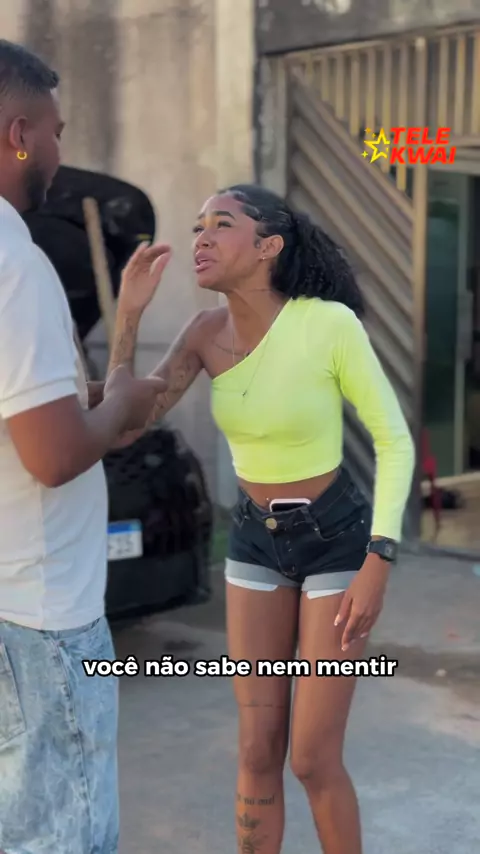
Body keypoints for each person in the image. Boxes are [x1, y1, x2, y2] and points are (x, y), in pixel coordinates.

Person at [110, 183, 416, 854]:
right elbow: (127, 421)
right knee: (255, 750)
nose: (202, 238)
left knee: (311, 757)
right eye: (198, 225)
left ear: (268, 246)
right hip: (254, 541)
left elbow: (394, 440)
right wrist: (128, 315)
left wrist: (380, 557)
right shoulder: (203, 334)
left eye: (221, 224)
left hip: (336, 541)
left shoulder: (326, 324)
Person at [0, 40, 168, 854]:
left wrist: (125, 327)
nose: (59, 155)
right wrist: (123, 403)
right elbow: (54, 454)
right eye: (56, 132)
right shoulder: (14, 262)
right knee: (65, 837)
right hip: (44, 618)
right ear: (18, 133)